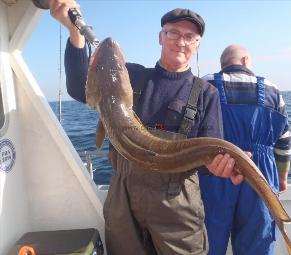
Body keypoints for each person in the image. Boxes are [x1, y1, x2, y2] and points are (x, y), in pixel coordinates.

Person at [49, 1, 244, 254]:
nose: (181, 41)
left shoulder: (206, 94)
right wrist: (74, 32)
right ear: (160, 37)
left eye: (189, 37)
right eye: (173, 33)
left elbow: (208, 158)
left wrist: (221, 167)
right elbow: (79, 87)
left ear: (197, 45)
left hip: (177, 206)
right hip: (124, 202)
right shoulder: (131, 75)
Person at [199, 44, 291, 255]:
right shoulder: (272, 89)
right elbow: (285, 140)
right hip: (261, 174)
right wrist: (282, 177)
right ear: (245, 60)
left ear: (222, 64)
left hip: (215, 169)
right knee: (257, 243)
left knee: (208, 244)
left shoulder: (205, 83)